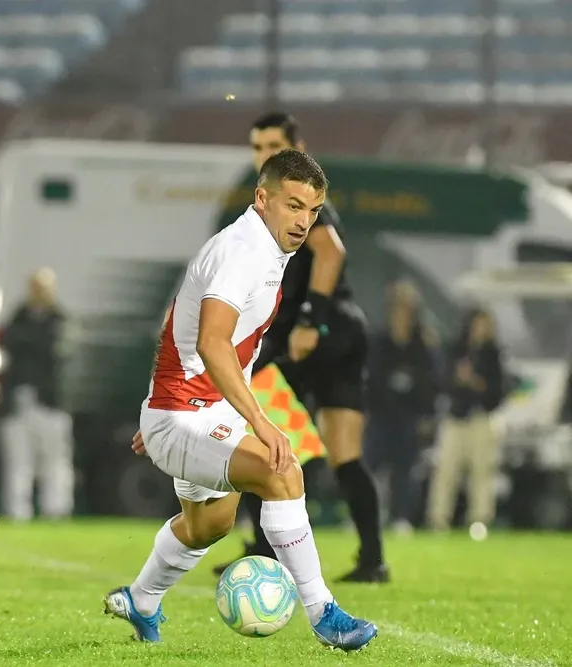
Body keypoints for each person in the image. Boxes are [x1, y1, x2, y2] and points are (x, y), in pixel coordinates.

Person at [107, 149, 377, 650]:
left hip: (194, 411)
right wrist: (260, 422)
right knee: (282, 470)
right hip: (185, 416)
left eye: (313, 211)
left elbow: (183, 323)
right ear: (262, 197)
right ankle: (324, 615)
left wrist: (160, 401)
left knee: (209, 525)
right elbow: (211, 341)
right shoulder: (243, 252)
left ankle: (141, 601)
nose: (303, 221)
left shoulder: (268, 249)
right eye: (294, 205)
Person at [207, 112, 387, 582]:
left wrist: (310, 319)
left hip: (318, 334)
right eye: (257, 145)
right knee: (343, 453)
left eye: (272, 144)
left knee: (261, 437)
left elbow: (331, 252)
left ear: (294, 148)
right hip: (344, 332)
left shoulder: (294, 195)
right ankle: (373, 561)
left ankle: (264, 555)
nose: (263, 152)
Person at [0, 268, 75, 520]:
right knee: (18, 460)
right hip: (18, 400)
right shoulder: (17, 319)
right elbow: (9, 345)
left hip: (51, 401)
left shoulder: (60, 320)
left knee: (54, 458)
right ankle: (18, 511)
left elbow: (55, 352)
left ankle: (56, 509)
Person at [364, 280, 440, 532]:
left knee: (404, 472)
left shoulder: (423, 345)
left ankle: (401, 518)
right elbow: (369, 378)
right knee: (369, 469)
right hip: (380, 415)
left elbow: (431, 383)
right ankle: (363, 517)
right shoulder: (379, 342)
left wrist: (427, 415)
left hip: (409, 417)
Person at [427, 308, 504, 532]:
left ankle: (480, 519)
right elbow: (442, 381)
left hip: (482, 417)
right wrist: (458, 379)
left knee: (482, 471)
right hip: (456, 416)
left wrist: (478, 384)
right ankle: (438, 518)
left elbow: (498, 390)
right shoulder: (456, 350)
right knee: (445, 469)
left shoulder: (493, 354)